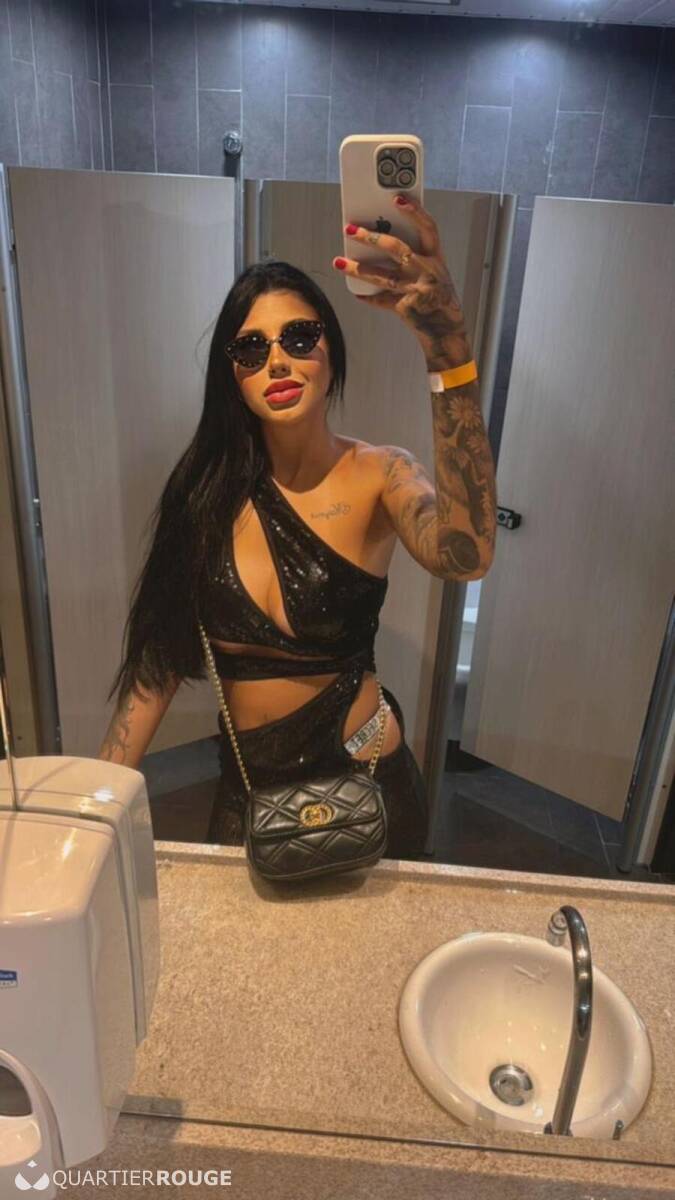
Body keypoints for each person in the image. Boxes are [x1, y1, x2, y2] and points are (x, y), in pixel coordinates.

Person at [98, 191, 497, 860]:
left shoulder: (381, 475)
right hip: (251, 790)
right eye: (251, 348)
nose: (277, 361)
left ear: (330, 353)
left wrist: (445, 346)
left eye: (299, 338)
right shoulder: (201, 495)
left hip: (368, 783)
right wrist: (94, 811)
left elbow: (466, 555)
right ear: (232, 375)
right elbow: (158, 661)